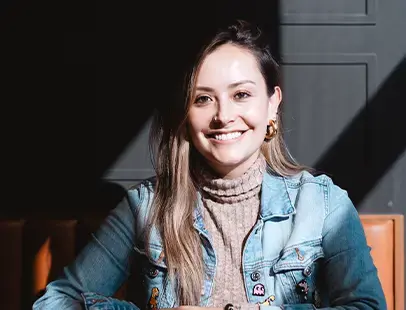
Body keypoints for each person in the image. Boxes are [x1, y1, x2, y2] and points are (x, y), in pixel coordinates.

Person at [33, 20, 386, 310]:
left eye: (241, 94)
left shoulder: (323, 205)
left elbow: (368, 307)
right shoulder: (146, 207)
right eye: (203, 99)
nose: (223, 116)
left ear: (272, 103)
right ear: (186, 114)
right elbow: (55, 302)